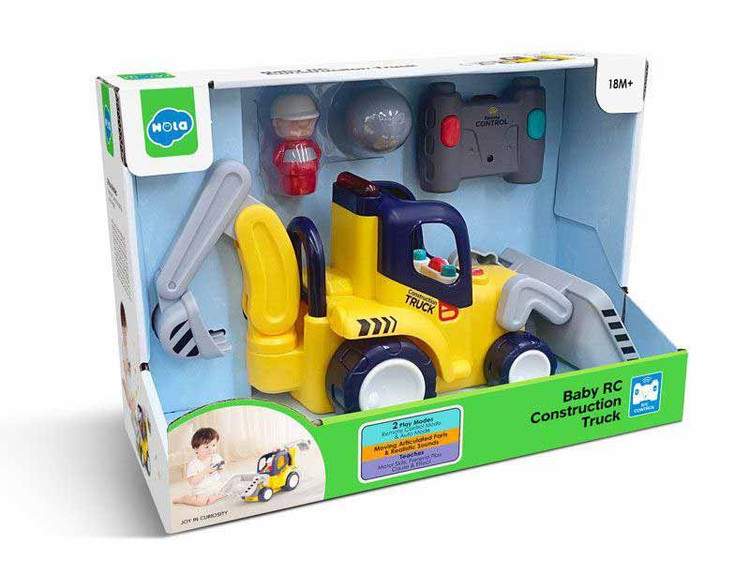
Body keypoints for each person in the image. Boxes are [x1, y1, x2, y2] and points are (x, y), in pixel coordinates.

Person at [271, 93, 321, 196]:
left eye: (308, 124)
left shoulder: (309, 144)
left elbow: (318, 153)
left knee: (309, 183)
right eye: (295, 125)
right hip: (290, 174)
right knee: (291, 185)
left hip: (310, 172)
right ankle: (291, 189)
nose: (302, 131)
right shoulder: (285, 147)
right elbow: (276, 159)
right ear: (277, 123)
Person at [172, 428, 227, 506]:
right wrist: (205, 471)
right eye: (207, 447)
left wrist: (221, 467)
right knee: (200, 502)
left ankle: (215, 497)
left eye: (213, 445)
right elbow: (192, 482)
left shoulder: (216, 457)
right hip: (202, 490)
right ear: (196, 448)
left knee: (232, 487)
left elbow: (221, 472)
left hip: (217, 485)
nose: (211, 449)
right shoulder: (193, 464)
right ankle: (184, 498)